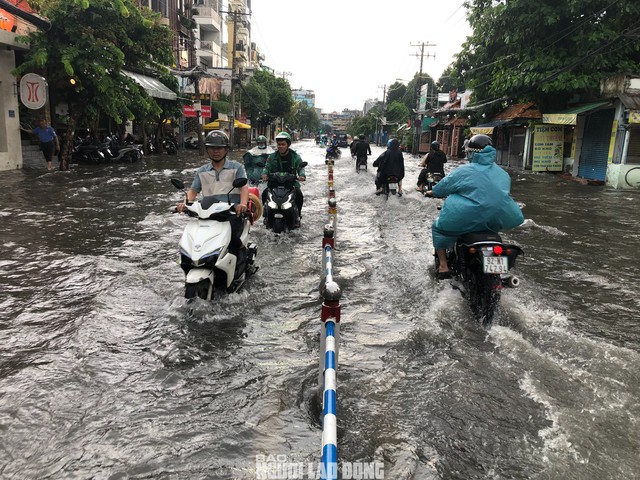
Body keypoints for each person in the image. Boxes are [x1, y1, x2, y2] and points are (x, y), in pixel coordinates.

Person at [426, 134, 524, 279]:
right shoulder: (503, 174)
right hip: (493, 222)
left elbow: (442, 188)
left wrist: (432, 192)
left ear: (471, 152)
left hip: (465, 219)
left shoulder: (463, 171)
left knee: (437, 228)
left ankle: (443, 266)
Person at [177, 130, 249, 257]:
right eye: (212, 148)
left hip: (231, 214)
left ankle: (243, 256)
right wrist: (184, 204)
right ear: (207, 150)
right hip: (207, 214)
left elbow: (243, 188)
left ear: (226, 149)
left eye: (219, 148)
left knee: (231, 238)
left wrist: (242, 204)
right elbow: (193, 190)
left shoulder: (237, 167)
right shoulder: (202, 171)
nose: (216, 151)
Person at [261, 131, 306, 217]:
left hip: (291, 184)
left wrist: (301, 175)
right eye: (279, 144)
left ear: (288, 145)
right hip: (275, 184)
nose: (280, 146)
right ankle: (266, 215)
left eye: (283, 144)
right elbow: (267, 167)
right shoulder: (272, 156)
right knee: (264, 193)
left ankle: (298, 215)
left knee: (299, 194)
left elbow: (300, 167)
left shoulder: (295, 156)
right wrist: (264, 174)